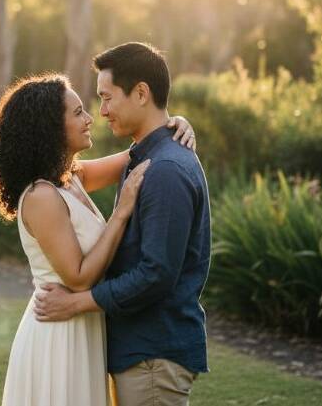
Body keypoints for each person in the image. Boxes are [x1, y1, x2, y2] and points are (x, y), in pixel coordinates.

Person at [0, 71, 197, 406]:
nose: (90, 118)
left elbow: (141, 153)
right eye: (78, 112)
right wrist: (121, 212)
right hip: (58, 333)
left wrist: (175, 124)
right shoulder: (41, 196)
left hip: (84, 327)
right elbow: (79, 278)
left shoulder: (71, 178)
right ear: (50, 128)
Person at [34, 42, 211, 406]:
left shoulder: (165, 171)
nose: (101, 112)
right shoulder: (144, 157)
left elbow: (156, 274)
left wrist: (77, 303)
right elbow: (69, 174)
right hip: (139, 351)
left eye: (107, 98)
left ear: (141, 93)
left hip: (153, 355)